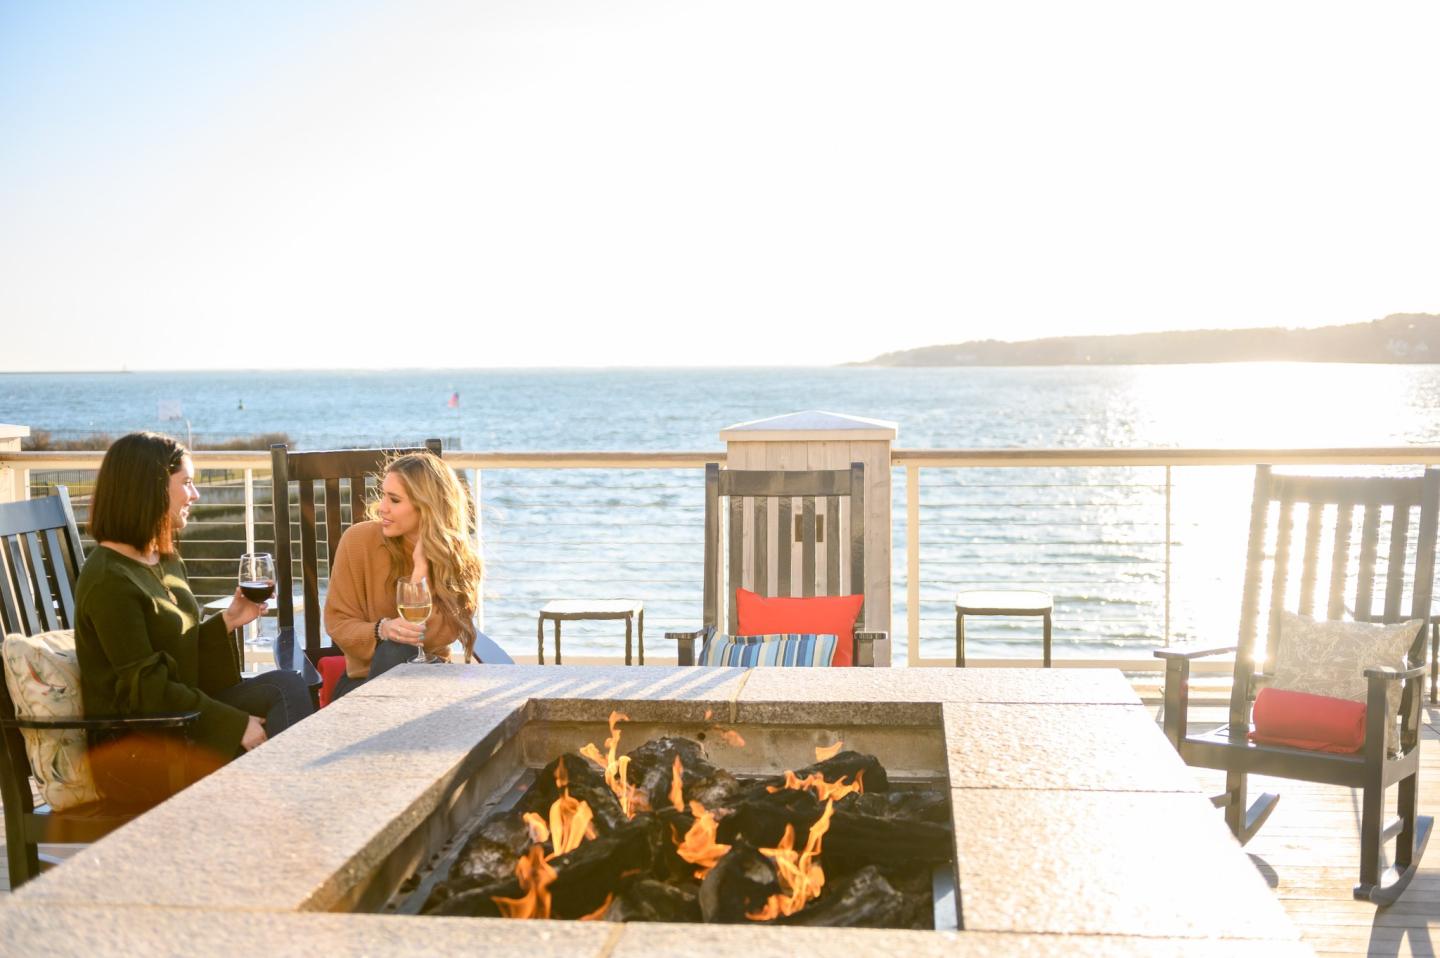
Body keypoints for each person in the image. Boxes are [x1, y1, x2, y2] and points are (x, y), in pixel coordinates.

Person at [75, 432, 314, 805]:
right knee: (277, 719)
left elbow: (177, 654)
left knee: (286, 686)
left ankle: (285, 816)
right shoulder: (109, 580)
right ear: (150, 488)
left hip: (180, 719)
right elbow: (148, 692)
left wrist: (228, 621)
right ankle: (290, 819)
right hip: (140, 746)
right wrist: (234, 724)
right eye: (186, 483)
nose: (195, 495)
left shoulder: (164, 558)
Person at [324, 450, 482, 700]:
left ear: (426, 507)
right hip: (363, 687)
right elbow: (338, 624)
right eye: (383, 495)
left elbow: (443, 636)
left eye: (394, 500)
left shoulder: (455, 556)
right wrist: (382, 630)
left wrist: (421, 573)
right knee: (395, 650)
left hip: (430, 681)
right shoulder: (358, 541)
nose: (381, 508)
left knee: (403, 652)